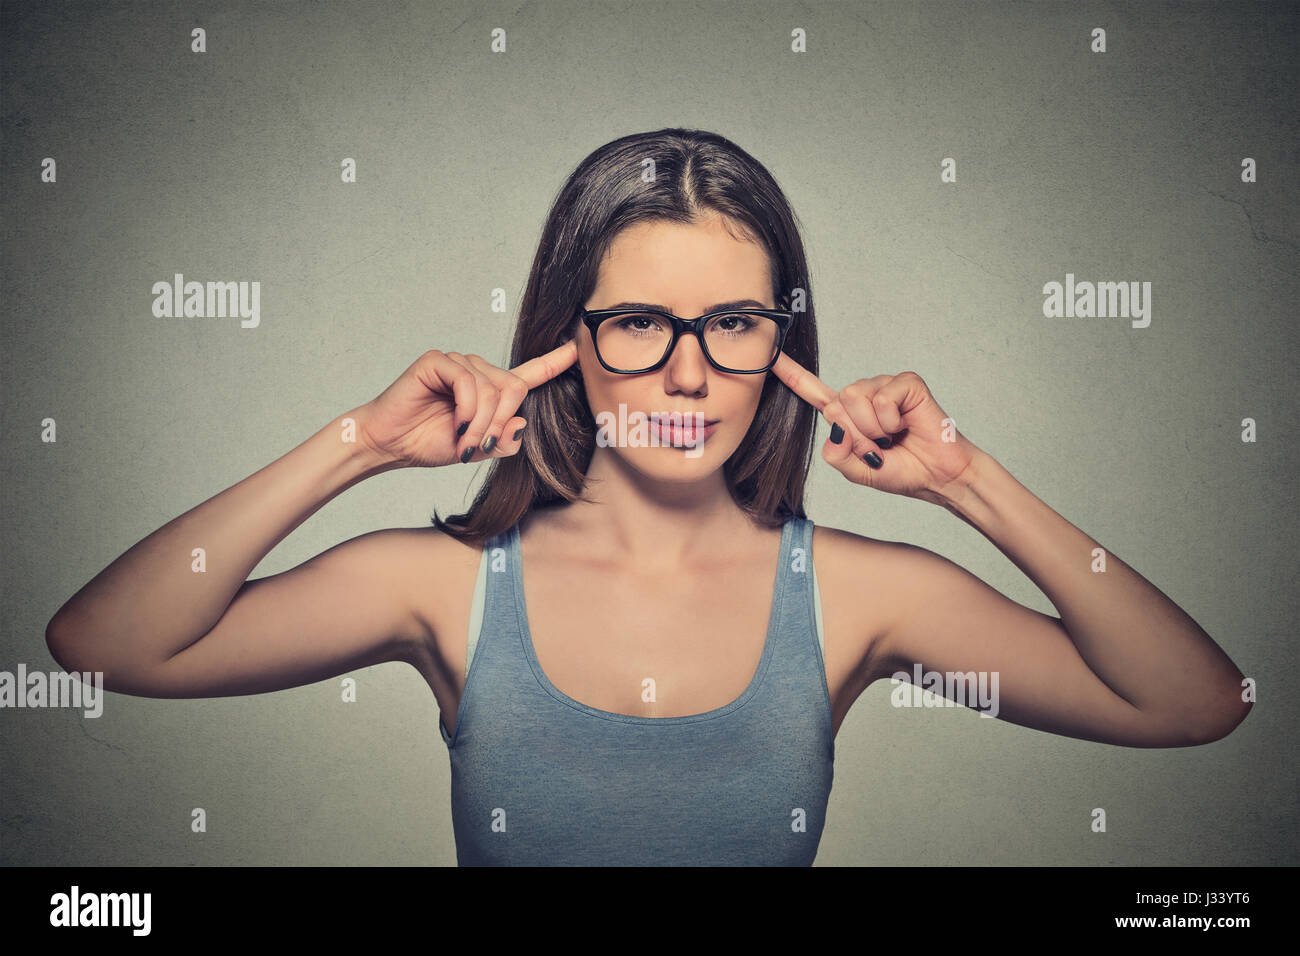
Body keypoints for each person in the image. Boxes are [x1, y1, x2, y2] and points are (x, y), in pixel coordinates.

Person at [45, 128, 1251, 866]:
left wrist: (970, 480)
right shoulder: (447, 585)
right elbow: (102, 645)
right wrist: (358, 444)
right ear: (566, 334)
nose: (686, 369)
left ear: (784, 341)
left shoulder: (857, 595)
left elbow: (1196, 702)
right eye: (637, 321)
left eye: (730, 323)